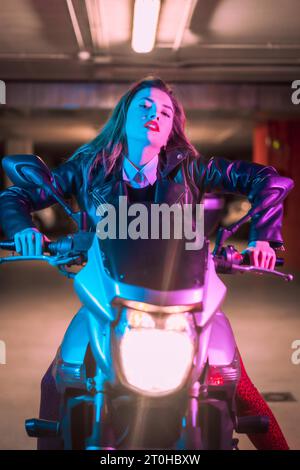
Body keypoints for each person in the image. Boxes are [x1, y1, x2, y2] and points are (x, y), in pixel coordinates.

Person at [0, 77, 293, 450]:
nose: (154, 114)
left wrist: (262, 238)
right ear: (125, 115)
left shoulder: (192, 169)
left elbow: (268, 180)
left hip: (185, 299)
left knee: (235, 380)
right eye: (144, 106)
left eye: (165, 111)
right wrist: (24, 230)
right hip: (111, 299)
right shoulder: (87, 168)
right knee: (61, 376)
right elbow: (18, 193)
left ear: (172, 127)